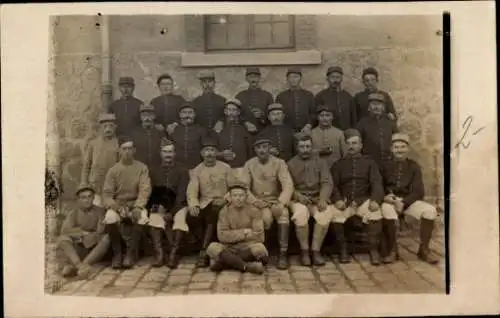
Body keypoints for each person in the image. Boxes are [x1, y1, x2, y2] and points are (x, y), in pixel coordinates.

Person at [380, 133, 439, 264]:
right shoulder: (384, 166)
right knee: (387, 211)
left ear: (407, 149)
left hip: (408, 201)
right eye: (396, 147)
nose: (399, 150)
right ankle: (392, 250)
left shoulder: (414, 166)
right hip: (389, 200)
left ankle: (424, 250)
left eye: (402, 147)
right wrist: (387, 198)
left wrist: (404, 202)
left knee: (430, 211)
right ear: (391, 149)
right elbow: (378, 185)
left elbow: (419, 191)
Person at [172, 139, 233, 268]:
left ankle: (204, 252)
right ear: (201, 153)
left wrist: (226, 199)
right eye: (206, 151)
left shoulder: (225, 168)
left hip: (224, 203)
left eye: (212, 150)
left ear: (217, 153)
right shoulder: (197, 170)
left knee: (213, 214)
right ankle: (203, 246)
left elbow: (234, 188)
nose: (209, 154)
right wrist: (193, 204)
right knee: (191, 216)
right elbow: (192, 190)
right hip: (205, 202)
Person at [330, 129, 385, 265]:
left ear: (361, 145)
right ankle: (343, 250)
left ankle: (374, 250)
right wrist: (337, 199)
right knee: (335, 214)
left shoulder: (370, 163)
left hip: (364, 200)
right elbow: (333, 185)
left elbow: (377, 183)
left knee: (375, 213)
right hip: (345, 202)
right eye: (348, 143)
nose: (351, 146)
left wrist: (375, 200)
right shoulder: (338, 164)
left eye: (354, 143)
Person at [240, 138, 294, 270]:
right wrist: (254, 201)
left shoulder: (279, 163)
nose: (262, 150)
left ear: (270, 148)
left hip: (275, 200)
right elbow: (244, 187)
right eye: (259, 148)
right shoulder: (249, 164)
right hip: (258, 201)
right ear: (255, 150)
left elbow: (288, 184)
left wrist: (281, 202)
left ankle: (283, 253)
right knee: (266, 218)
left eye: (265, 147)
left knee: (283, 214)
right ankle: (265, 251)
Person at [102, 136, 152, 270]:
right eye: (124, 149)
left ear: (134, 150)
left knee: (141, 218)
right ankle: (117, 254)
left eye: (130, 149)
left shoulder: (142, 167)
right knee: (110, 218)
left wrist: (138, 206)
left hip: (135, 203)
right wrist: (117, 208)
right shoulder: (113, 170)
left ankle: (130, 253)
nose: (127, 152)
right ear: (119, 151)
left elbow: (144, 189)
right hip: (119, 204)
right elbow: (107, 195)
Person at [287, 135, 335, 266]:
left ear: (312, 147)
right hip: (299, 199)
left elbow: (327, 183)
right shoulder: (291, 164)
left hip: (316, 198)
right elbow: (287, 186)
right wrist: (298, 196)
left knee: (325, 213)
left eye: (308, 146)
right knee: (300, 214)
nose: (305, 149)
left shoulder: (320, 162)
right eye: (302, 147)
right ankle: (304, 251)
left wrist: (323, 199)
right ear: (297, 148)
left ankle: (315, 250)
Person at [206, 183, 268, 274]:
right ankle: (247, 267)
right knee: (212, 248)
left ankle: (225, 262)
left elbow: (259, 236)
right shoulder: (224, 211)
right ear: (230, 197)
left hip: (248, 246)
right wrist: (243, 232)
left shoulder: (254, 211)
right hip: (229, 247)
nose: (238, 199)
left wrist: (232, 234)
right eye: (235, 195)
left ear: (246, 197)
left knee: (260, 249)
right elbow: (222, 236)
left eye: (241, 195)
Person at [147, 139, 190, 268]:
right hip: (159, 205)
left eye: (170, 152)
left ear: (175, 153)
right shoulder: (154, 170)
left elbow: (182, 194)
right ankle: (159, 254)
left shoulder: (182, 170)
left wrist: (171, 211)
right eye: (165, 152)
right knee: (154, 219)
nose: (168, 155)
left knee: (180, 220)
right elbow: (152, 191)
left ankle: (173, 254)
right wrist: (158, 207)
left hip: (178, 205)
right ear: (160, 153)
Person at [56, 185, 109, 278]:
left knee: (107, 238)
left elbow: (101, 230)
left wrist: (93, 233)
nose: (87, 200)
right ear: (78, 199)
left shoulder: (99, 211)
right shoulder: (73, 213)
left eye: (89, 196)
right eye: (83, 197)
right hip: (79, 244)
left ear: (93, 198)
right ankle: (78, 265)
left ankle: (84, 264)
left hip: (93, 247)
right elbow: (65, 231)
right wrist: (82, 233)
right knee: (63, 239)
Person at [80, 113, 119, 207]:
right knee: (96, 209)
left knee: (111, 213)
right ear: (101, 128)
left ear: (115, 128)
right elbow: (86, 166)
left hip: (112, 185)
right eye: (105, 126)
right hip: (95, 184)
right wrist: (84, 183)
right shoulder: (93, 144)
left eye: (110, 126)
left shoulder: (118, 144)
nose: (108, 129)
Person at [356, 92, 399, 166]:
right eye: (373, 104)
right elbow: (358, 143)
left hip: (388, 162)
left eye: (379, 104)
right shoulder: (362, 123)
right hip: (369, 163)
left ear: (383, 107)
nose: (376, 107)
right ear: (368, 108)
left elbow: (396, 141)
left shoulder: (390, 122)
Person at [130, 103, 166, 188]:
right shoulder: (134, 133)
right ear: (140, 117)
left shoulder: (160, 132)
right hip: (140, 169)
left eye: (150, 115)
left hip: (157, 168)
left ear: (154, 116)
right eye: (144, 115)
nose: (147, 118)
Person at [167, 103, 208, 169]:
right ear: (180, 115)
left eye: (190, 112)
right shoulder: (173, 129)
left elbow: (205, 148)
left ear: (194, 115)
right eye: (184, 112)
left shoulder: (201, 130)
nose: (187, 115)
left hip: (195, 166)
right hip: (176, 166)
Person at [276, 67, 316, 134]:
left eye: (296, 77)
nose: (293, 79)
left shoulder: (308, 95)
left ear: (300, 78)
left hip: (305, 131)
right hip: (287, 131)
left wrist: (309, 125)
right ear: (287, 79)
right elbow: (278, 114)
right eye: (290, 77)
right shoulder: (281, 96)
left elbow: (313, 113)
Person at [216, 98, 254, 168]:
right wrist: (221, 154)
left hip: (241, 167)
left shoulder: (244, 129)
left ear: (238, 112)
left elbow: (250, 150)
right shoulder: (218, 128)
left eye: (234, 110)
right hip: (221, 167)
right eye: (229, 110)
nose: (231, 112)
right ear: (225, 111)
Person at [235, 67, 274, 132]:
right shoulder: (240, 96)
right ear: (246, 79)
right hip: (244, 132)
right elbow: (235, 114)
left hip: (264, 131)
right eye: (250, 77)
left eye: (255, 77)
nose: (253, 79)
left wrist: (262, 116)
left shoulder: (267, 96)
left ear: (259, 78)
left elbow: (273, 115)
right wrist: (245, 123)